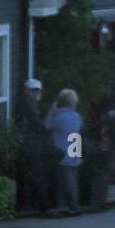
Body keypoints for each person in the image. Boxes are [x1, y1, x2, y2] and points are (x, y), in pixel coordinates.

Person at [13, 78, 52, 214]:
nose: (35, 93)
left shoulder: (29, 103)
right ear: (27, 90)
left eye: (37, 90)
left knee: (25, 175)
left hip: (28, 143)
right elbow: (36, 123)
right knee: (37, 174)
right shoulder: (27, 104)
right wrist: (48, 129)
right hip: (30, 144)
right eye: (33, 90)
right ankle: (43, 207)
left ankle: (23, 205)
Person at [45, 88, 82, 216]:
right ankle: (66, 205)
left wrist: (51, 112)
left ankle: (71, 206)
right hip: (74, 149)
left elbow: (47, 125)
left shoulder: (59, 117)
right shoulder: (76, 116)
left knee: (64, 180)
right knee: (71, 178)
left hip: (62, 151)